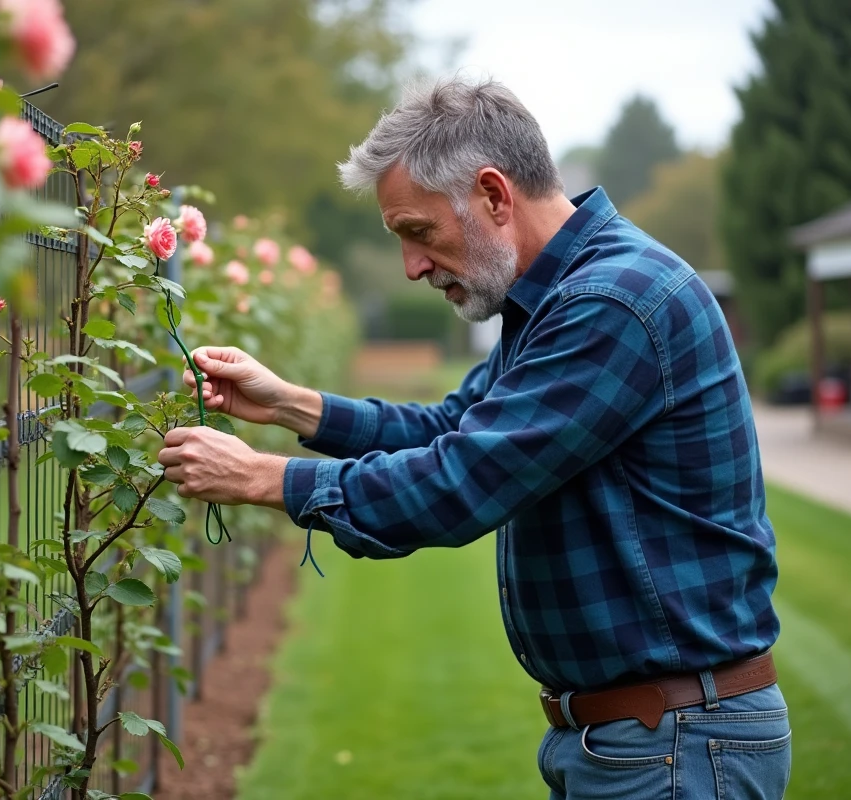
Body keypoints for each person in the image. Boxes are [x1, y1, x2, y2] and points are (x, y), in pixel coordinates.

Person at [157, 77, 790, 800]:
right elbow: (453, 427)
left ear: (493, 195)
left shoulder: (612, 302)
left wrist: (262, 479)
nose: (413, 267)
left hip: (673, 745)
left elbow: (461, 481)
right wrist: (296, 407)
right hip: (642, 740)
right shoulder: (560, 296)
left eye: (419, 233)